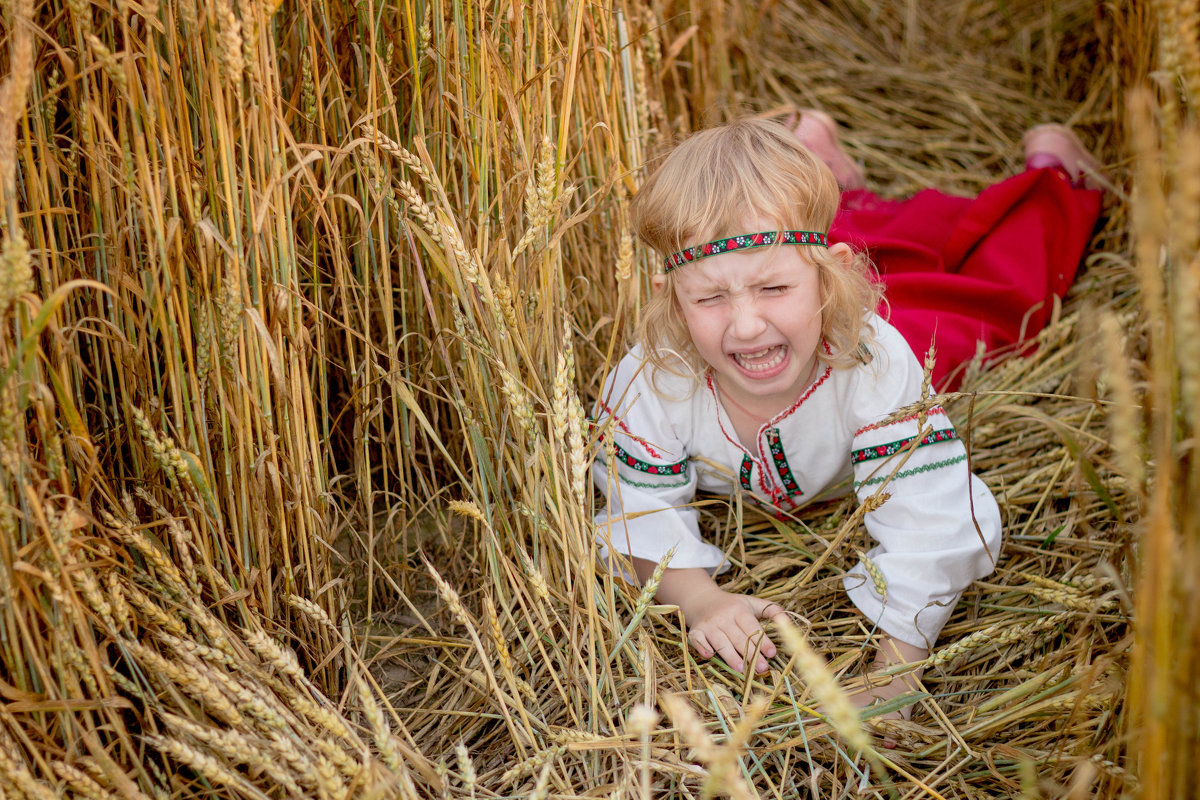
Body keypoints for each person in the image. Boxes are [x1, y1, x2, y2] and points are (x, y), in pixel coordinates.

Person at [590, 115, 1102, 717]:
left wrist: (896, 670)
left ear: (829, 275)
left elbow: (932, 516)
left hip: (858, 331)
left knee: (998, 309)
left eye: (773, 289)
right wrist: (700, 598)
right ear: (669, 297)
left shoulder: (875, 362)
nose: (745, 324)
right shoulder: (652, 377)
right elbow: (638, 509)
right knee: (895, 255)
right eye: (709, 298)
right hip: (812, 313)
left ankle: (1050, 177)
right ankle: (829, 179)